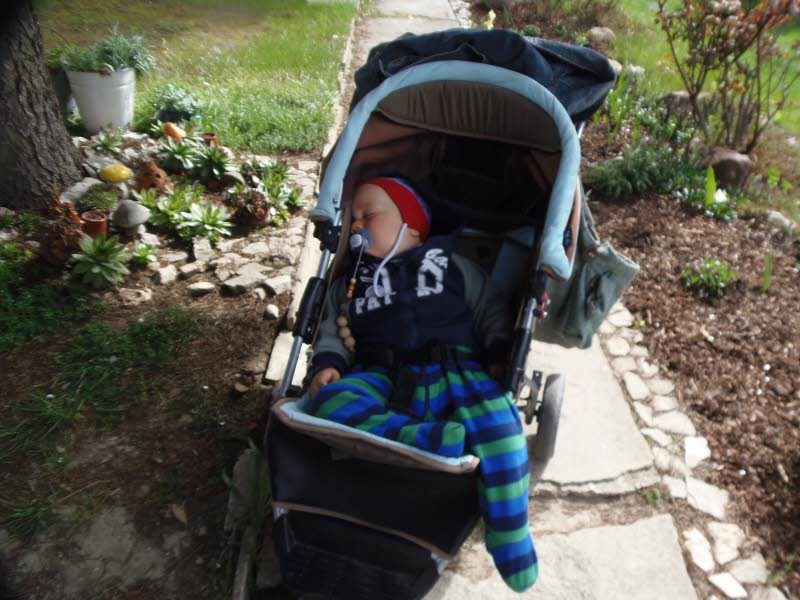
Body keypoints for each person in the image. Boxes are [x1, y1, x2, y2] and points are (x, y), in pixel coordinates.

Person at [307, 177, 537, 592]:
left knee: (503, 431)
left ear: (412, 227)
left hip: (459, 371)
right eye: (352, 218)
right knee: (329, 402)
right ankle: (425, 439)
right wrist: (329, 362)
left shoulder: (448, 264)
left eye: (369, 215)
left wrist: (498, 351)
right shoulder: (351, 284)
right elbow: (330, 331)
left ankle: (510, 534)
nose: (356, 224)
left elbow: (490, 308)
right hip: (382, 375)